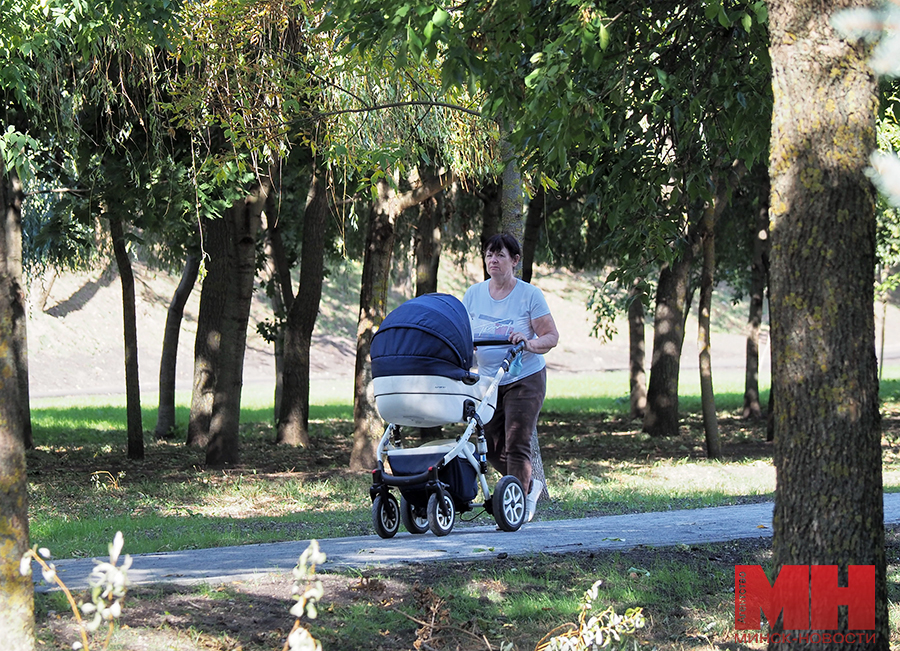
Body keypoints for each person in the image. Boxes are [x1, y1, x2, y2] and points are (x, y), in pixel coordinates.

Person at [463, 233, 559, 522]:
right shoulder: (473, 294)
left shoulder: (529, 295)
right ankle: (526, 488)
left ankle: (512, 512)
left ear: (515, 260)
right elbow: (465, 336)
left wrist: (527, 343)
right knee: (488, 443)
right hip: (489, 381)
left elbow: (551, 336)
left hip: (524, 377)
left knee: (517, 441)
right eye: (489, 255)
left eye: (500, 255)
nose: (493, 260)